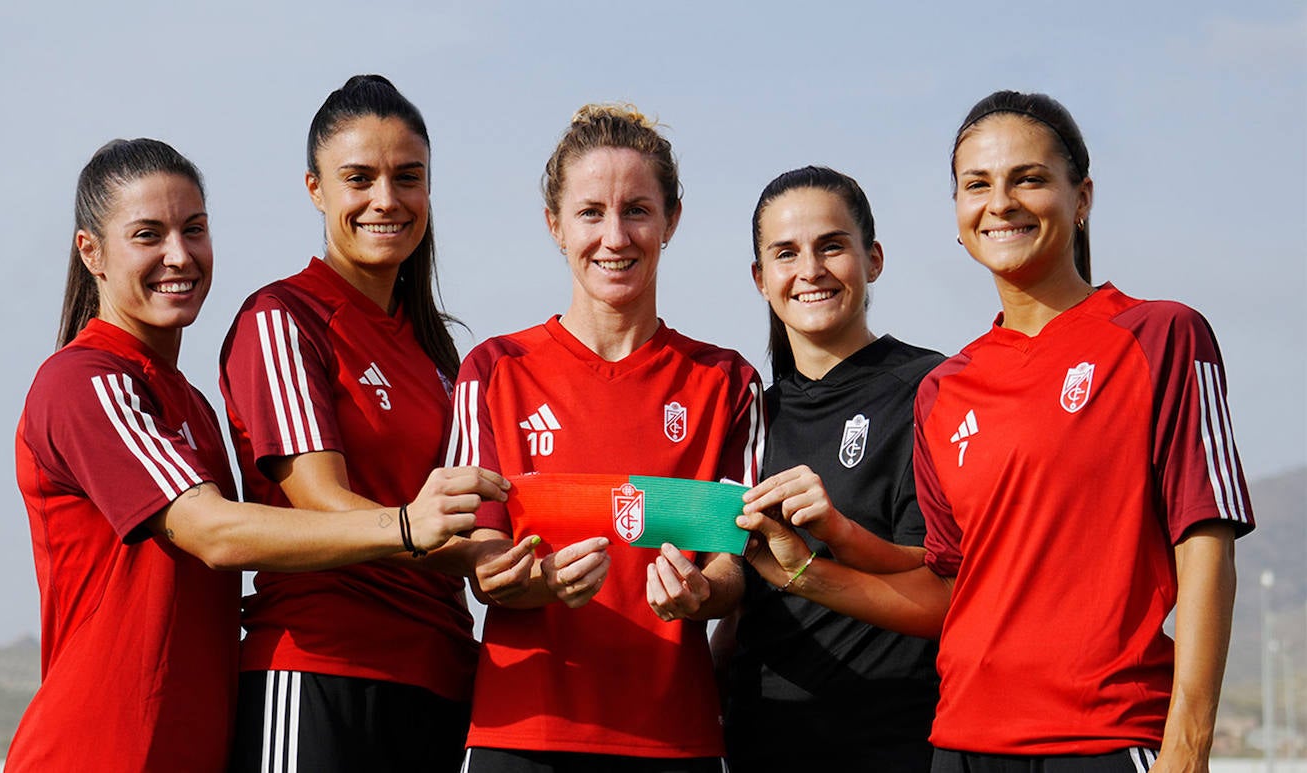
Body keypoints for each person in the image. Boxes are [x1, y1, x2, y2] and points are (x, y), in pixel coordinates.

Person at [739, 91, 1255, 773]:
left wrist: (1187, 747)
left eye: (1029, 179)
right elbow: (947, 590)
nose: (1001, 202)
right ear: (958, 213)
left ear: (1083, 197)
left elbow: (1206, 545)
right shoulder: (947, 388)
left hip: (1101, 737)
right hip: (961, 743)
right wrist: (804, 568)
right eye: (977, 185)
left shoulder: (1159, 335)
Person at [11, 138, 505, 772]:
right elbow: (213, 532)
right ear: (91, 252)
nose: (178, 255)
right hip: (99, 751)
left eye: (194, 229)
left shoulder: (188, 403)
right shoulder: (83, 381)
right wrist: (406, 524)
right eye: (147, 235)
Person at [444, 103, 764, 772]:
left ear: (672, 219)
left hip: (674, 740)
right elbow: (480, 561)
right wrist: (534, 580)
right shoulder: (495, 371)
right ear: (554, 224)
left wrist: (702, 593)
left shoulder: (727, 381)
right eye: (591, 212)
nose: (614, 236)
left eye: (637, 210)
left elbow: (737, 560)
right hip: (522, 736)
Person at [219, 75, 505, 772]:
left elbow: (469, 522)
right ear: (316, 189)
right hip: (320, 666)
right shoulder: (285, 319)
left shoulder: (442, 355)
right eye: (359, 178)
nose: (387, 199)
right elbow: (322, 502)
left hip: (440, 675)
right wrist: (457, 545)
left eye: (408, 177)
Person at [717, 166, 943, 772]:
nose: (810, 270)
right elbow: (742, 601)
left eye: (832, 246)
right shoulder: (748, 414)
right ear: (760, 279)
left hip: (893, 741)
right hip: (760, 740)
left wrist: (831, 540)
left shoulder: (931, 389)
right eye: (786, 253)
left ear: (873, 259)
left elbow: (939, 583)